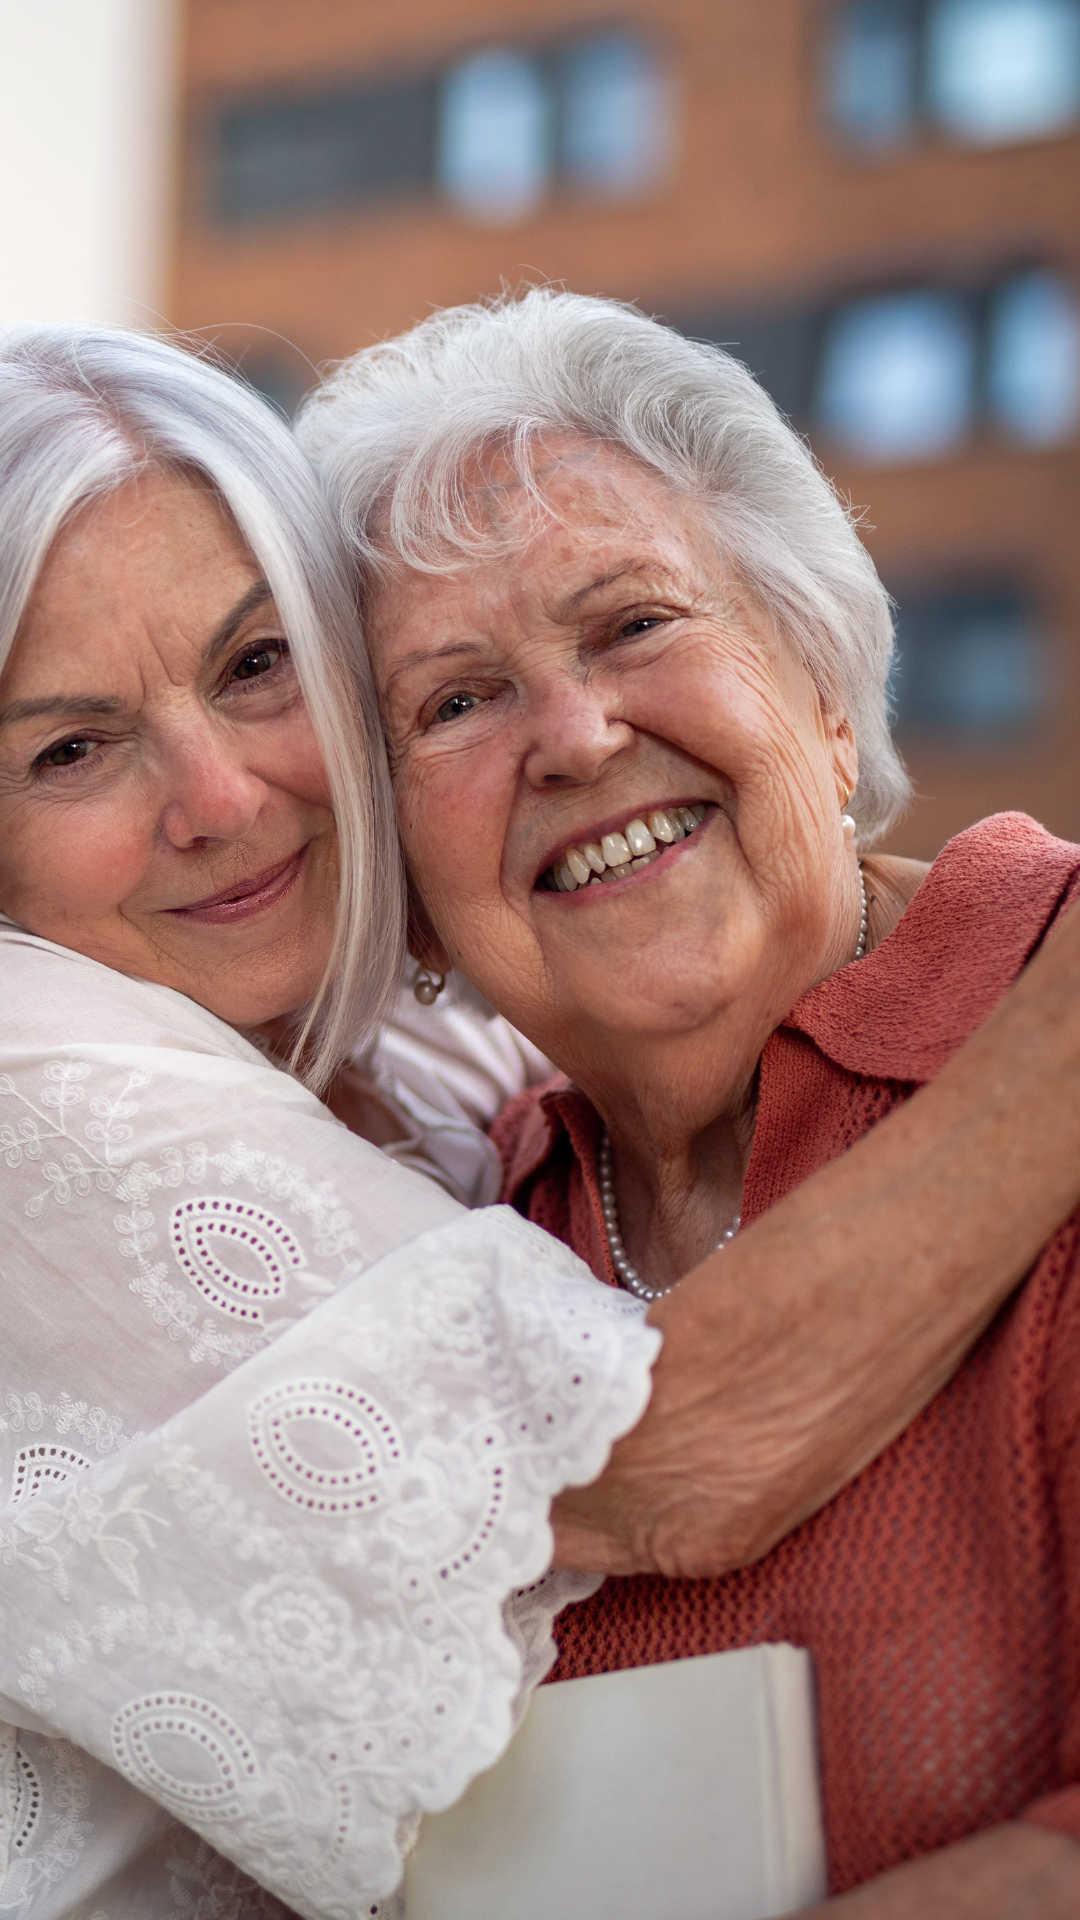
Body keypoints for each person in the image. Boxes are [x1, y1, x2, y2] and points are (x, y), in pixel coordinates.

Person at [1, 323, 1079, 1920]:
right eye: (455, 702)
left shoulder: (439, 1121)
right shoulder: (95, 1104)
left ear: (828, 683)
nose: (574, 737)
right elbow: (653, 1459)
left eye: (636, 621)